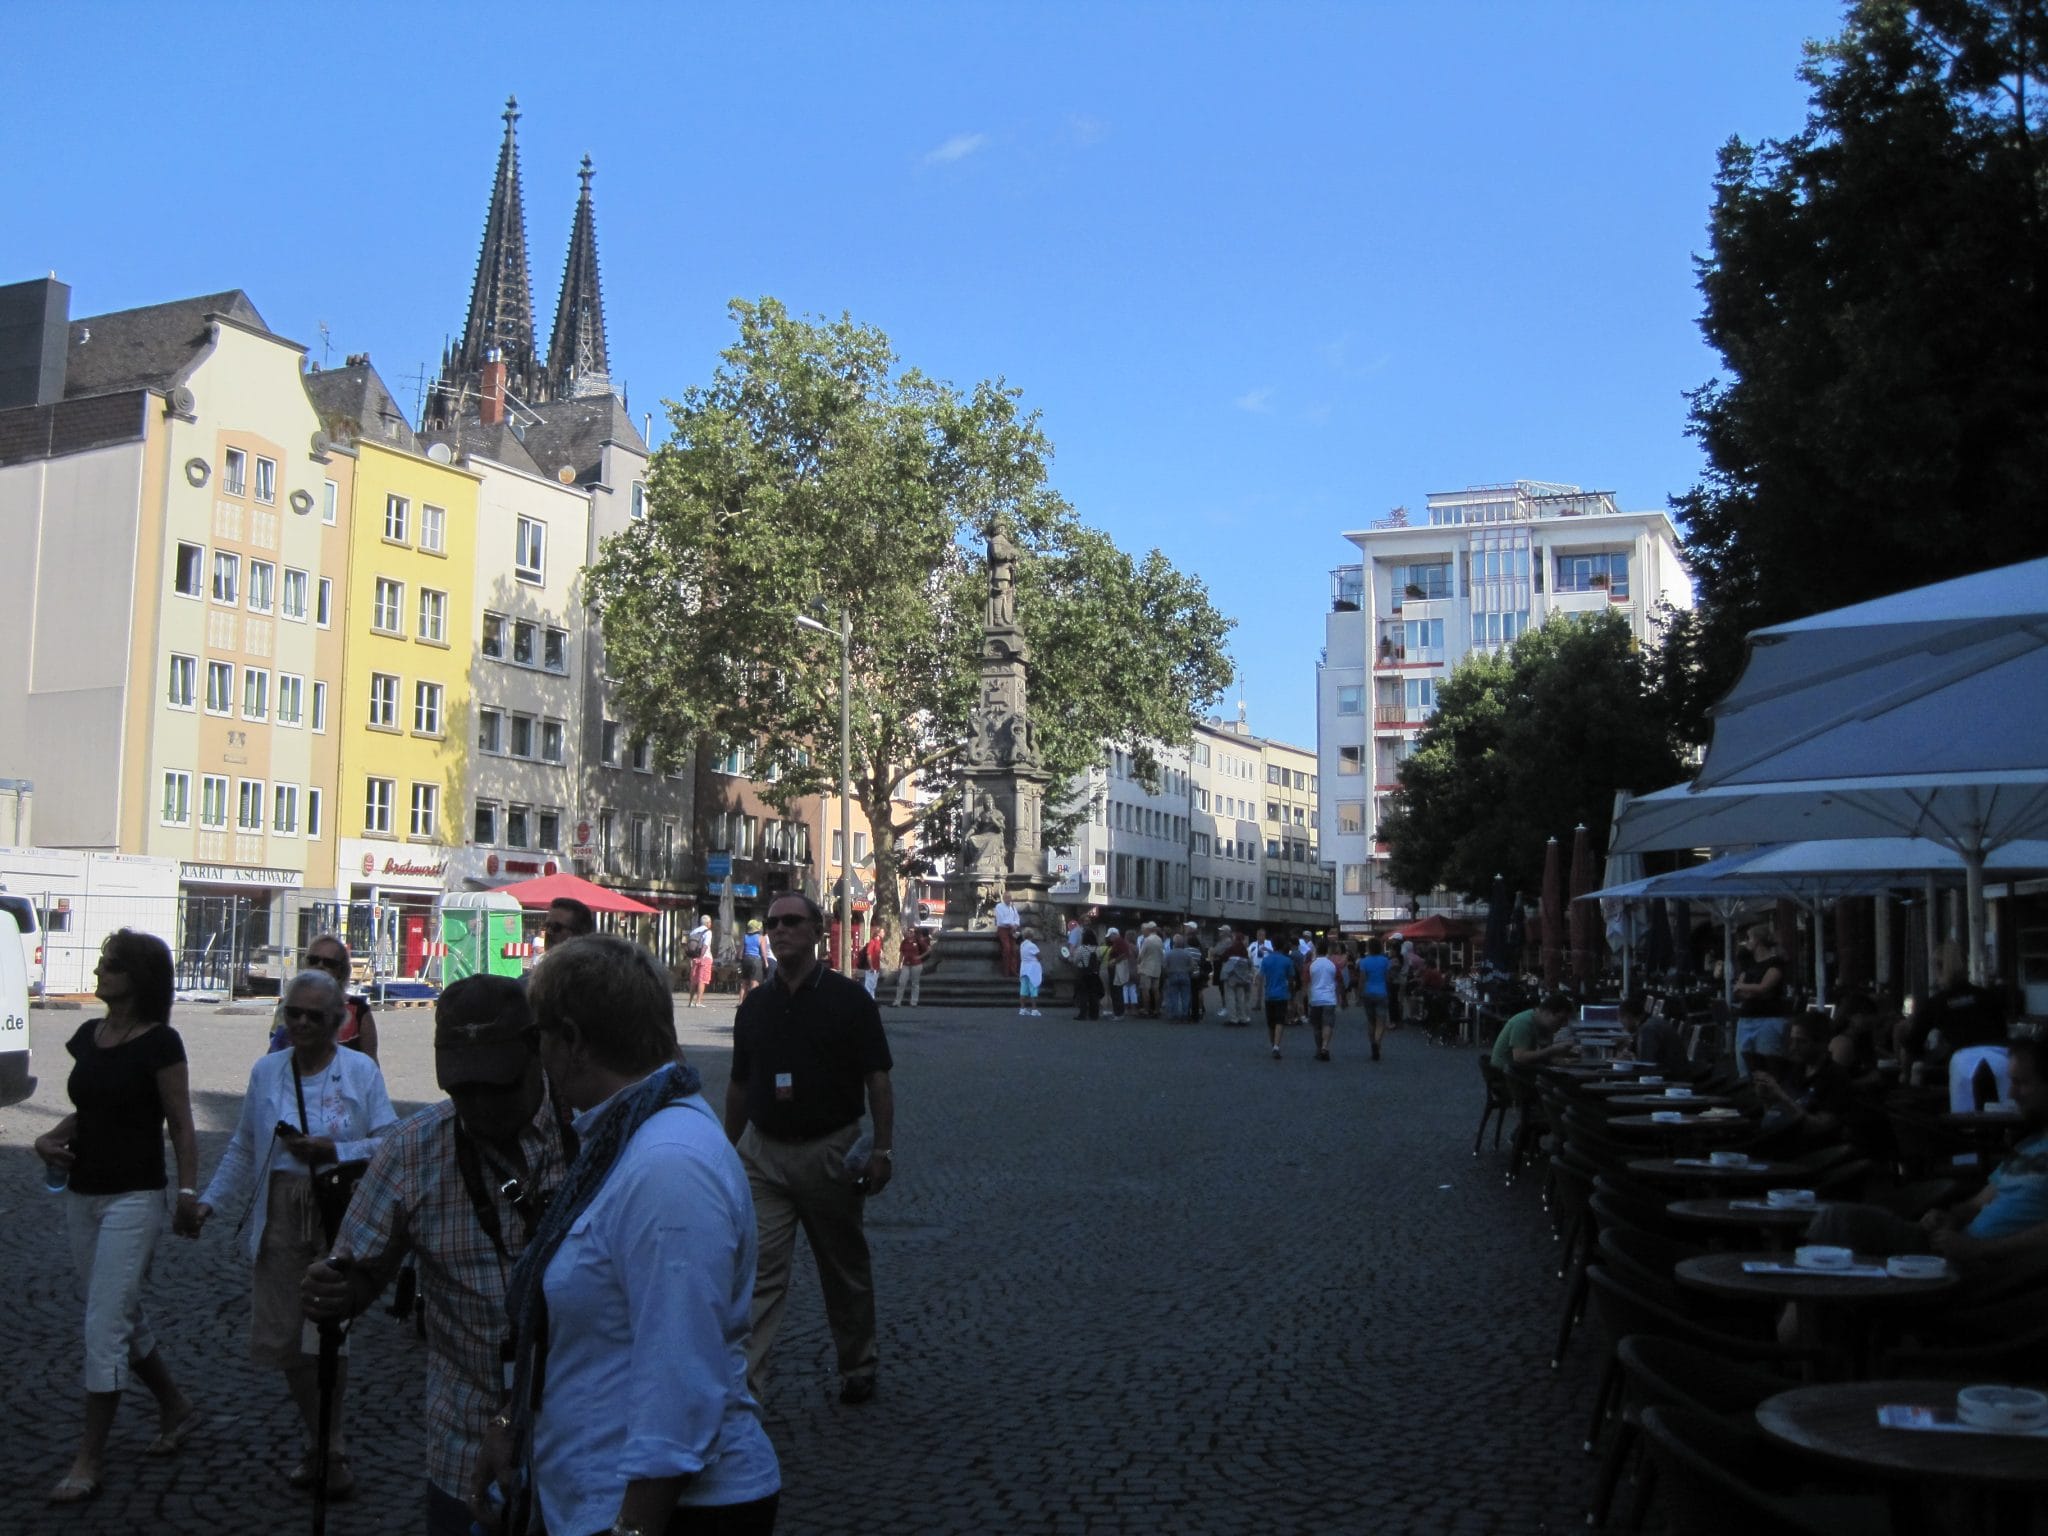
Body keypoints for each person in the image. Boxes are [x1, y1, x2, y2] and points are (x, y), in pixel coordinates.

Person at [474, 936, 781, 1536]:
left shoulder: (668, 1164)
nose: (535, 1056)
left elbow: (681, 1373)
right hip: (592, 1492)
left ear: (575, 1043)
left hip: (669, 1510)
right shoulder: (621, 1139)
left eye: (539, 1036)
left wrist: (635, 1526)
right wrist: (513, 1425)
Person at [301, 975, 576, 1536]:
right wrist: (336, 1290)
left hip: (586, 1434)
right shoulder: (412, 1151)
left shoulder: (591, 1132)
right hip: (465, 1436)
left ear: (535, 1052)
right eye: (460, 1088)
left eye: (495, 1086)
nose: (476, 1105)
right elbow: (360, 1272)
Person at [187, 968, 397, 1497]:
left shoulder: (359, 1073)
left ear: (337, 1021)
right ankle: (321, 1436)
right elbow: (241, 1145)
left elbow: (390, 1142)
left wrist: (335, 1150)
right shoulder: (267, 1071)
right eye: (293, 1013)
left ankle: (332, 1447)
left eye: (314, 1016)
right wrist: (208, 1202)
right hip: (280, 1210)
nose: (301, 1023)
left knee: (328, 1332)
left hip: (338, 1206)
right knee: (286, 1337)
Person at [35, 930, 201, 1506]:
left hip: (135, 1196)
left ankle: (89, 1458)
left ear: (138, 979)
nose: (101, 971)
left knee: (104, 1324)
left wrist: (188, 1192)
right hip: (84, 1192)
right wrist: (47, 1138)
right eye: (104, 962)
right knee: (118, 1312)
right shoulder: (88, 1037)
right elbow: (88, 1112)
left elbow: (180, 1123)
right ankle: (176, 1406)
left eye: (112, 965)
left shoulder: (161, 1043)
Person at [725, 893, 895, 1405]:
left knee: (842, 1267)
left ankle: (857, 1362)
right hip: (764, 1154)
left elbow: (878, 1081)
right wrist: (725, 1152)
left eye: (792, 922)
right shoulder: (755, 1005)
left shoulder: (850, 1001)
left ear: (817, 931)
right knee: (758, 1274)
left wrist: (882, 1150)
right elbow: (737, 1085)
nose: (779, 931)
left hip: (829, 1150)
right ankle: (745, 1387)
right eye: (773, 923)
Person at [1798, 1038, 2048, 1272]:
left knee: (1836, 1225)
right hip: (1952, 1245)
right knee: (1835, 1221)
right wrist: (1949, 1217)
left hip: (1990, 1269)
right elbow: (1975, 1204)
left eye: (2022, 1083)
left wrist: (1978, 1249)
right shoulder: (2030, 1145)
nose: (2012, 1094)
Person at [1753, 1010, 1854, 1150]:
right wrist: (1767, 1099)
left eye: (1801, 1042)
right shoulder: (1797, 1070)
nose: (1793, 1047)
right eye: (1792, 1041)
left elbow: (1818, 1127)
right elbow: (1776, 1118)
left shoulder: (1835, 1077)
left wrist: (1781, 1097)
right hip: (1779, 1141)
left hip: (1811, 1152)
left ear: (1822, 1043)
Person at [269, 935, 379, 1059]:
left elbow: (371, 1065)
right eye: (313, 960)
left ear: (341, 970)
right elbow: (274, 1054)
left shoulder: (358, 1010)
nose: (320, 966)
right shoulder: (287, 1006)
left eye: (329, 963)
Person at [1732, 923, 1790, 1074]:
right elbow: (1738, 991)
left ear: (1757, 940)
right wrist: (1752, 990)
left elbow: (1764, 987)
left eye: (1749, 938)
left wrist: (1746, 988)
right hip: (1746, 1019)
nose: (1747, 942)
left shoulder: (1775, 963)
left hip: (1768, 1020)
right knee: (1744, 1066)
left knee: (1768, 1067)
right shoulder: (1749, 963)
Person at [1489, 993, 1579, 1071]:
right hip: (1506, 1075)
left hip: (1520, 1070)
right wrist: (1553, 1050)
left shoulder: (1545, 1026)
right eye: (1561, 1019)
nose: (1564, 1024)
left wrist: (1564, 1056)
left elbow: (1542, 1055)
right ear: (1547, 1012)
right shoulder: (1523, 1023)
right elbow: (1520, 1058)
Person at [1626, 993, 1689, 1076]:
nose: (1623, 1026)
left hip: (1671, 1077)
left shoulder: (1647, 1030)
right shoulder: (1654, 1023)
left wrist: (1631, 1062)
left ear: (1629, 1017)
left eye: (1622, 1021)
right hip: (1677, 1073)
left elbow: (1647, 1066)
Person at [1258, 941, 1297, 1060]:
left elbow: (1261, 977)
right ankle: (1276, 1045)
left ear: (1273, 946)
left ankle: (1272, 1045)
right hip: (1282, 994)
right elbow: (1291, 979)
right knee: (1280, 1020)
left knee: (1271, 1023)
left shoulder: (1266, 960)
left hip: (1269, 994)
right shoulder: (1287, 961)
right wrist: (1291, 993)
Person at [1358, 936, 1392, 1062]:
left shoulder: (1364, 961)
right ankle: (1377, 1043)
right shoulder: (1385, 961)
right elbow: (1388, 978)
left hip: (1368, 992)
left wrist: (1359, 995)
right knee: (1381, 1021)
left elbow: (1362, 979)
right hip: (1382, 992)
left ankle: (1372, 1042)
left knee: (1371, 1021)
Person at [1306, 938, 1340, 1062]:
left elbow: (1306, 981)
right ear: (1327, 950)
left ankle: (1318, 1048)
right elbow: (1338, 981)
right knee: (1327, 1024)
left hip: (1315, 998)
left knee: (1316, 1026)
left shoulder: (1312, 965)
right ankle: (1325, 1046)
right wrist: (1341, 998)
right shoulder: (1332, 965)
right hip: (1329, 999)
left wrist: (1305, 997)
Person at [1216, 927, 1253, 1027]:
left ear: (1236, 938)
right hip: (1241, 977)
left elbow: (1222, 957)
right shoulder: (1244, 950)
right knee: (1240, 997)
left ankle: (1233, 1018)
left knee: (1230, 997)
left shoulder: (1232, 948)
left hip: (1231, 976)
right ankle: (1243, 1017)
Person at [1162, 931, 1197, 1021]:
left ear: (1174, 943)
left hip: (1172, 975)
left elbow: (1164, 966)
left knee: (1173, 996)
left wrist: (1168, 973)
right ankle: (1185, 1014)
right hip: (1184, 975)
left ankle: (1174, 1015)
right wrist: (1187, 971)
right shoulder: (1187, 953)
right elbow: (1193, 966)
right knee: (1185, 996)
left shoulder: (1169, 953)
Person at [893, 924, 930, 1007]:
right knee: (901, 982)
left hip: (916, 964)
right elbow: (902, 953)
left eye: (912, 931)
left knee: (915, 983)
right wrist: (899, 964)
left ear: (914, 933)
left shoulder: (918, 941)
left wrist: (920, 957)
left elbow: (928, 949)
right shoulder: (904, 942)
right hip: (906, 964)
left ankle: (914, 1002)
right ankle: (897, 1001)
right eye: (909, 931)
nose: (909, 933)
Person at [1069, 929, 1103, 1019]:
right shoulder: (1097, 948)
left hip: (1083, 973)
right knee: (1094, 994)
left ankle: (1083, 1014)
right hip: (1094, 974)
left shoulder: (1081, 948)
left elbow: (1076, 961)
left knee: (1083, 994)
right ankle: (1094, 1014)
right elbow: (1099, 960)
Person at [1135, 922, 1166, 1018]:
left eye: (1145, 930)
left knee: (1145, 990)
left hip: (1146, 968)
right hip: (1157, 968)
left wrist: (1138, 963)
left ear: (1149, 930)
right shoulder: (1160, 940)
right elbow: (1162, 955)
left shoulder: (1147, 940)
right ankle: (1157, 1010)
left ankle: (1146, 1010)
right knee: (1156, 990)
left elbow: (1141, 955)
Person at [686, 913, 714, 1007]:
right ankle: (698, 1002)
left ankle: (690, 1002)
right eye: (710, 922)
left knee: (694, 980)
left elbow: (689, 945)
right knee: (702, 980)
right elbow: (705, 945)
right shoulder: (708, 932)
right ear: (707, 923)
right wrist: (701, 957)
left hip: (694, 957)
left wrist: (693, 957)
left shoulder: (694, 931)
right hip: (704, 957)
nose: (711, 923)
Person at [993, 887, 1020, 977]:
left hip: (1012, 929)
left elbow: (1017, 917)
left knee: (1014, 949)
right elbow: (1000, 919)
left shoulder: (1012, 907)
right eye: (1008, 898)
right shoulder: (999, 906)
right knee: (1007, 948)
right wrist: (1010, 924)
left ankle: (1013, 970)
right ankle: (1006, 971)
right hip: (1003, 929)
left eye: (1010, 898)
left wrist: (1016, 925)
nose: (1010, 899)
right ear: (1004, 898)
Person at [1017, 926, 1044, 1017]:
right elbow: (1039, 956)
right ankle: (1034, 1009)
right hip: (1032, 969)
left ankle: (1022, 1008)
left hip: (1024, 968)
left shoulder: (1022, 945)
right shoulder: (1032, 946)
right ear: (1031, 935)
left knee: (1023, 989)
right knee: (1033, 989)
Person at [740, 917, 767, 1003]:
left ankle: (740, 1002)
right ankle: (751, 1003)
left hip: (746, 959)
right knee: (754, 983)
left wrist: (741, 960)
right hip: (756, 960)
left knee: (744, 983)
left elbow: (741, 952)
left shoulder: (745, 936)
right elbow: (763, 952)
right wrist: (766, 962)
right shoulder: (761, 937)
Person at [861, 927, 885, 999]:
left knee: (873, 986)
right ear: (878, 933)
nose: (884, 933)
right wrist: (871, 966)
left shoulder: (879, 942)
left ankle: (872, 1000)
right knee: (868, 986)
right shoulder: (872, 942)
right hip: (871, 968)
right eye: (882, 932)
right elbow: (869, 954)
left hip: (876, 968)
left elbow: (879, 954)